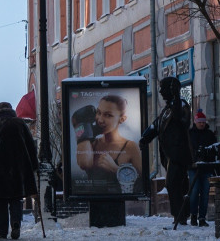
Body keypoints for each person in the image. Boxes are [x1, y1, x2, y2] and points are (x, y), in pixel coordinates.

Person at [0, 102, 38, 240]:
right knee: (16, 199)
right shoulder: (20, 124)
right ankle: (16, 223)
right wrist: (34, 166)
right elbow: (30, 146)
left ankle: (2, 232)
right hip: (18, 168)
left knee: (1, 202)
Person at [140, 76, 192, 226]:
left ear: (172, 89)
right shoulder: (166, 110)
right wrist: (145, 138)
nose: (161, 92)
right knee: (179, 185)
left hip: (179, 155)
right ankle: (182, 214)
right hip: (169, 156)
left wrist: (176, 97)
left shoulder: (180, 106)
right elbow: (155, 126)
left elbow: (182, 121)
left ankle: (180, 216)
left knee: (172, 184)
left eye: (164, 88)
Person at [75, 95, 142, 194]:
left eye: (108, 115)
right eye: (98, 112)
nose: (100, 120)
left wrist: (115, 169)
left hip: (120, 204)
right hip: (94, 203)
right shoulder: (91, 144)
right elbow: (84, 164)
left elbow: (141, 182)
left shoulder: (130, 147)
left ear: (122, 119)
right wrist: (85, 130)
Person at [188, 109, 216, 227]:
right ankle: (193, 215)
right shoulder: (190, 134)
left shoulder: (209, 134)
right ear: (195, 122)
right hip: (193, 167)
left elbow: (214, 148)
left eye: (203, 122)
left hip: (206, 168)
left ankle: (202, 218)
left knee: (205, 194)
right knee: (194, 192)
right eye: (199, 122)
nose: (201, 124)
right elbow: (187, 150)